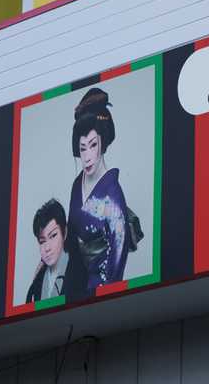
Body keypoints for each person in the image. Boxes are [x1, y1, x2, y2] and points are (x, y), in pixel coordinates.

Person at [66, 87, 135, 293]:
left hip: (100, 284)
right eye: (82, 148)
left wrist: (104, 292)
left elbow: (117, 255)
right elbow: (71, 241)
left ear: (102, 143)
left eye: (93, 145)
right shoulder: (76, 186)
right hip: (76, 281)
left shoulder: (112, 194)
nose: (87, 157)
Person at [23, 199, 88, 303]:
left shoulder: (79, 270)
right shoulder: (37, 281)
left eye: (53, 236)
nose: (47, 248)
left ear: (64, 233)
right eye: (42, 241)